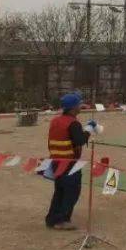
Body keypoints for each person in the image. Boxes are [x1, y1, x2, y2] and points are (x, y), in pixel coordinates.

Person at [45, 93, 91, 230]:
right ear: (72, 108)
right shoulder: (73, 123)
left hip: (56, 161)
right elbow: (79, 141)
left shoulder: (55, 121)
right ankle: (62, 220)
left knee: (59, 191)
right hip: (70, 163)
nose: (80, 107)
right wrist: (88, 130)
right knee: (71, 192)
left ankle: (52, 218)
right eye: (78, 104)